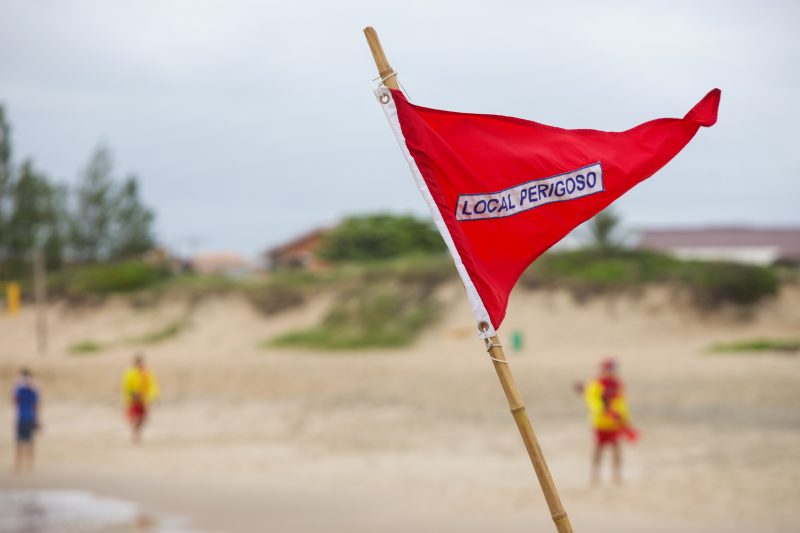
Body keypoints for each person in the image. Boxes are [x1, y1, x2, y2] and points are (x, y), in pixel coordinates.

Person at [582, 358, 636, 484]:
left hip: (614, 423)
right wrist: (602, 409)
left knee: (616, 448)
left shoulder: (618, 384)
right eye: (611, 369)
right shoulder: (597, 384)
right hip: (600, 423)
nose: (613, 372)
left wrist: (625, 419)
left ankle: (617, 475)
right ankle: (595, 475)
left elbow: (621, 403)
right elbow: (591, 401)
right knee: (598, 449)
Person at [122, 354, 159, 443]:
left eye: (141, 362)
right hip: (133, 399)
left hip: (143, 398)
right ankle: (135, 434)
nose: (140, 364)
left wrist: (152, 396)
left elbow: (152, 384)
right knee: (135, 417)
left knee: (143, 418)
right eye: (139, 362)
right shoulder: (130, 373)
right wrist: (132, 394)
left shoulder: (146, 372)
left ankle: (137, 433)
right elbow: (126, 385)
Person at [13, 368, 40, 472]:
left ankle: (21, 464)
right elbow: (36, 406)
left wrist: (16, 385)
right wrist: (37, 420)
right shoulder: (33, 390)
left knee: (21, 442)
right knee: (28, 442)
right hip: (29, 417)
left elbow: (15, 402)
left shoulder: (20, 390)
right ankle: (28, 464)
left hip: (23, 417)